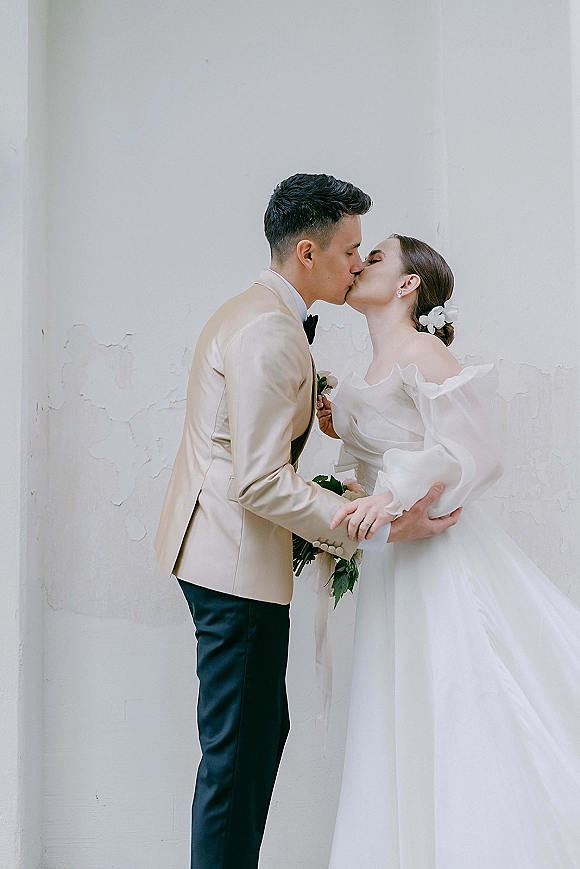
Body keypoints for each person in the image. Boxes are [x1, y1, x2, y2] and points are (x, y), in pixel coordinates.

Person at [154, 177, 460, 869]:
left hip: (222, 553)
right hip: (232, 565)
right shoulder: (270, 331)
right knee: (238, 761)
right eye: (351, 249)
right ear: (306, 251)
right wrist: (367, 525)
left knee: (255, 740)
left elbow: (250, 457)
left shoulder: (259, 314)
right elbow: (261, 480)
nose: (357, 263)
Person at [317, 234, 580, 868]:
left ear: (408, 286)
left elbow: (476, 455)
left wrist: (398, 497)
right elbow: (361, 473)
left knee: (459, 697)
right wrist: (348, 497)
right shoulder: (361, 379)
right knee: (401, 705)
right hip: (390, 563)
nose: (358, 265)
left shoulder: (425, 353)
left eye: (374, 257)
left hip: (438, 557)